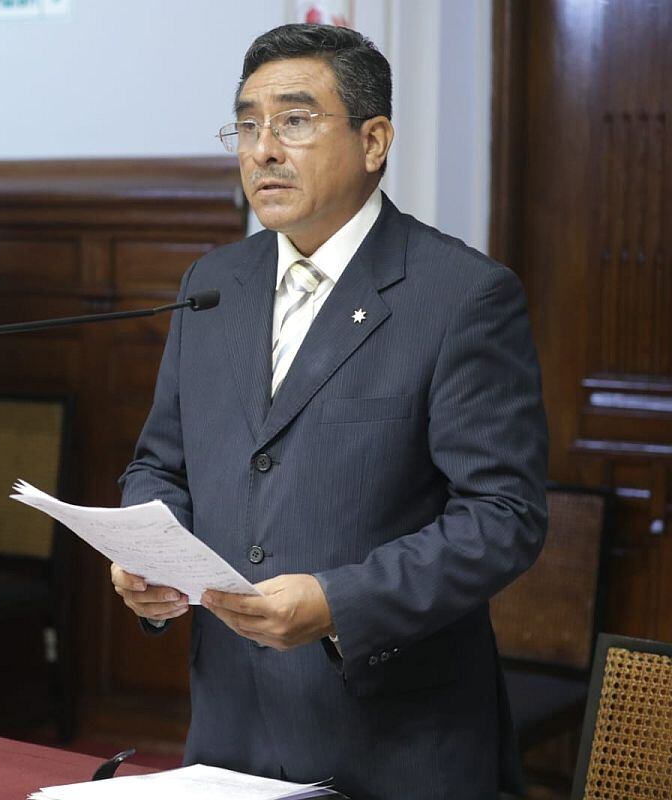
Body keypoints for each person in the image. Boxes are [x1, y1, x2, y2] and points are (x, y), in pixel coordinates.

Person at [111, 24, 547, 799]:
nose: (264, 150)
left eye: (295, 121)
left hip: (394, 742)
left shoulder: (461, 295)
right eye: (248, 125)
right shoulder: (212, 284)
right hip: (232, 730)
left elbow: (503, 516)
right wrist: (151, 553)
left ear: (373, 141)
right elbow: (159, 463)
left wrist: (339, 604)